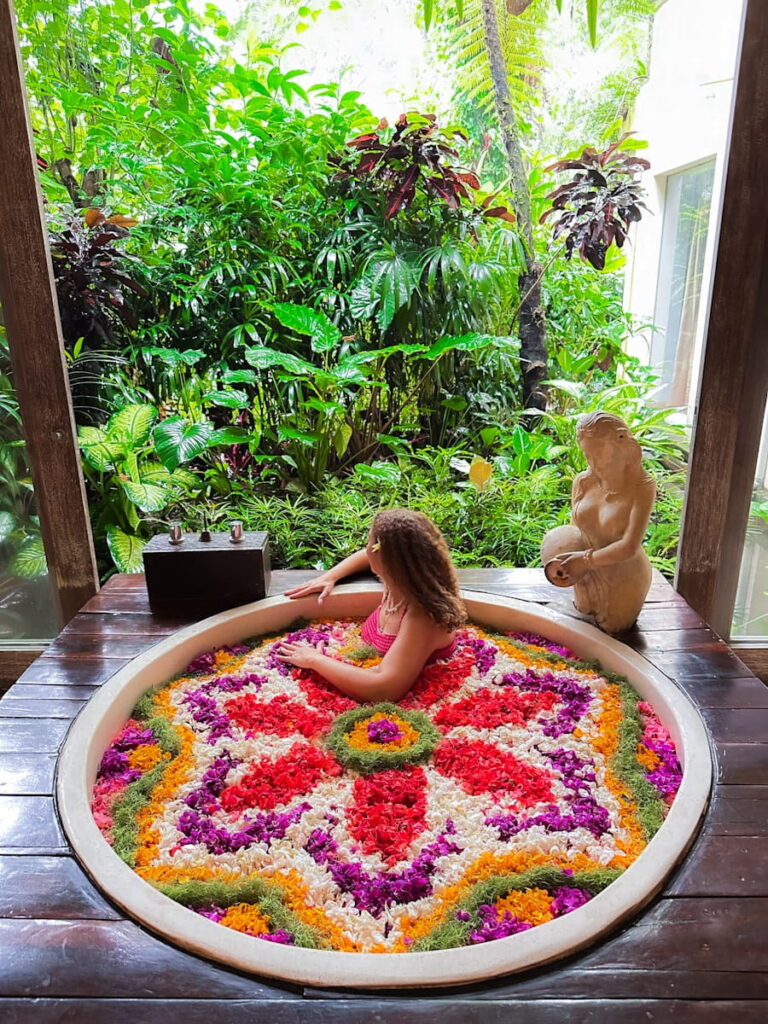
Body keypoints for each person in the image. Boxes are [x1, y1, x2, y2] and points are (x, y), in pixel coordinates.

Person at [275, 508, 465, 702]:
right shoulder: (401, 579)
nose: (366, 548)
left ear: (382, 556)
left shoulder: (422, 616)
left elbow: (383, 689)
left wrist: (314, 659)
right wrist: (330, 576)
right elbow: (366, 556)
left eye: (369, 541)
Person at [540, 411, 656, 633]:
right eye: (587, 455)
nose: (593, 462)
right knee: (582, 634)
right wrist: (566, 562)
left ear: (622, 446)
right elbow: (576, 532)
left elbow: (629, 547)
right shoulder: (584, 482)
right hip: (586, 574)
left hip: (623, 576)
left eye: (600, 454)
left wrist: (584, 560)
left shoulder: (642, 487)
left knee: (612, 634)